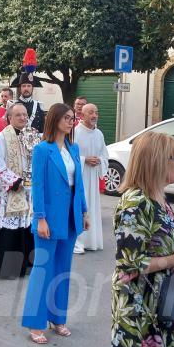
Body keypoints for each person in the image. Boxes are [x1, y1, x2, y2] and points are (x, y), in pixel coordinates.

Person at [111, 131, 174, 347]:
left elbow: (160, 242)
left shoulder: (158, 197)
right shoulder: (136, 203)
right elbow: (129, 263)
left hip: (165, 299)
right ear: (158, 161)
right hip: (142, 306)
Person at [22, 103, 88, 344]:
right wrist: (40, 218)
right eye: (67, 118)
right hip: (48, 218)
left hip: (70, 216)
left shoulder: (74, 147)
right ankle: (35, 322)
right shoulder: (42, 150)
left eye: (73, 118)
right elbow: (37, 186)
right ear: (55, 120)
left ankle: (57, 318)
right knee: (43, 269)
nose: (71, 121)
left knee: (63, 270)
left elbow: (78, 185)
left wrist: (84, 212)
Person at [0, 103, 38, 279]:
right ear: (9, 118)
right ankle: (7, 269)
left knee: (26, 226)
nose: (23, 118)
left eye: (25, 115)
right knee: (10, 230)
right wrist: (15, 181)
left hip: (29, 190)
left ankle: (25, 264)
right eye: (18, 115)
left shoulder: (32, 136)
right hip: (10, 190)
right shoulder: (1, 138)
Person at [73, 103, 108, 254]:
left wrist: (100, 160)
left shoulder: (99, 134)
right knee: (81, 206)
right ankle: (78, 242)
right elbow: (69, 156)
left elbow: (105, 154)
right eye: (91, 112)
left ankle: (92, 241)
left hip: (93, 177)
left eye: (96, 112)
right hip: (80, 177)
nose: (94, 115)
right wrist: (84, 160)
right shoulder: (75, 132)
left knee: (92, 206)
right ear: (82, 115)